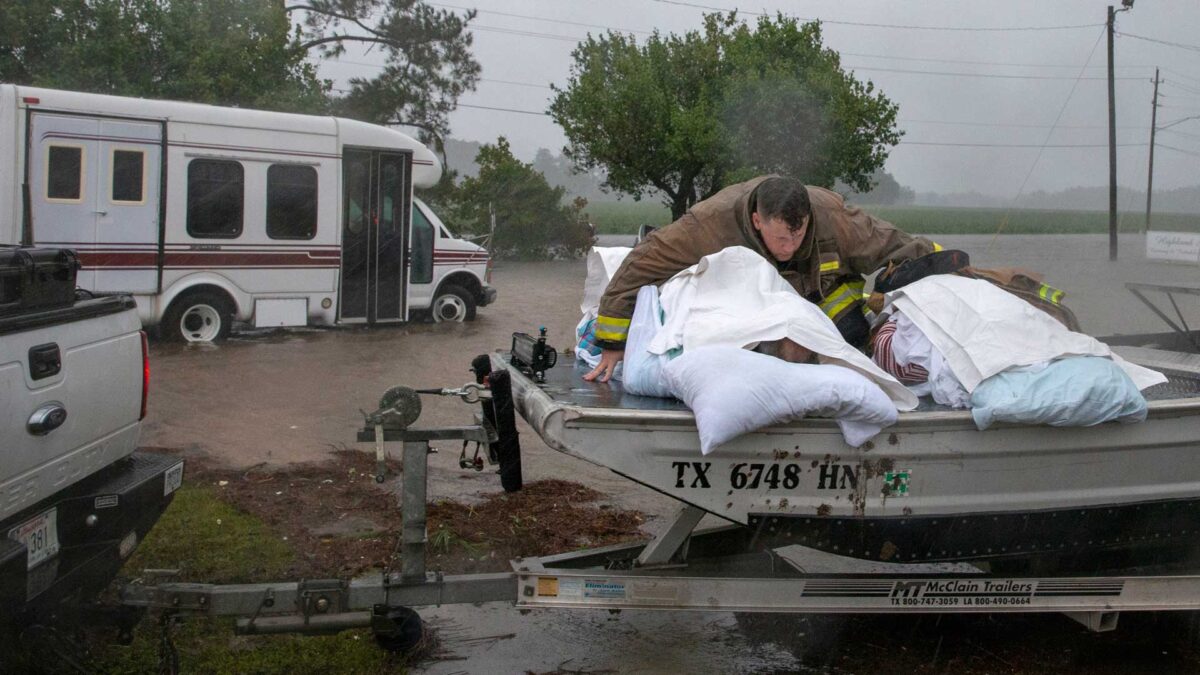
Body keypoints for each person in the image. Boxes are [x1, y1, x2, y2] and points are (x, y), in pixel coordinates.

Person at [585, 175, 943, 382]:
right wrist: (613, 341)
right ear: (757, 221)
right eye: (781, 239)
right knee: (765, 360)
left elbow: (895, 244)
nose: (790, 246)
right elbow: (640, 264)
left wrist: (942, 265)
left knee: (853, 336)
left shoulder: (833, 218)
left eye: (798, 235)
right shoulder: (710, 224)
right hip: (745, 307)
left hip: (821, 298)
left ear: (807, 219)